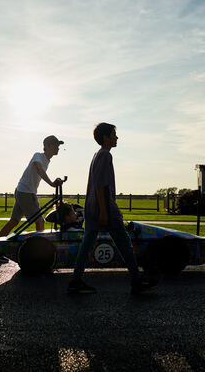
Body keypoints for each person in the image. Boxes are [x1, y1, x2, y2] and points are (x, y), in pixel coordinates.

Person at [68, 122, 159, 295]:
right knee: (125, 243)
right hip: (105, 208)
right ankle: (137, 281)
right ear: (106, 137)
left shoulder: (98, 154)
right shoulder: (105, 155)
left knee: (86, 245)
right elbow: (102, 185)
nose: (117, 138)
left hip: (92, 207)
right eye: (113, 134)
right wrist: (104, 211)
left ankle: (76, 281)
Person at [0, 135, 64, 262]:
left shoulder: (47, 160)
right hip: (26, 192)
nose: (58, 148)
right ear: (47, 146)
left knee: (14, 221)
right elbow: (39, 169)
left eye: (59, 145)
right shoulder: (38, 155)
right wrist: (51, 183)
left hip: (23, 190)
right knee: (40, 222)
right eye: (56, 145)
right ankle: (42, 256)